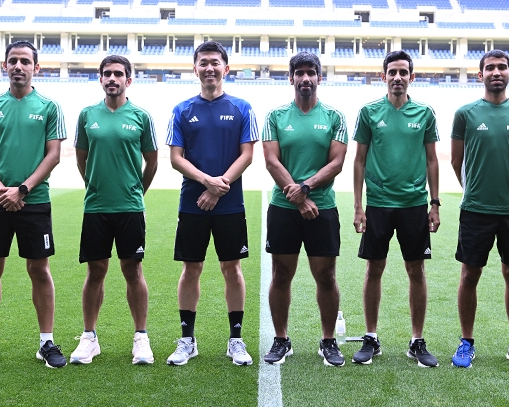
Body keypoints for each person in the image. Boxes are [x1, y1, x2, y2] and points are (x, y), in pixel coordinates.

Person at [0, 41, 67, 369]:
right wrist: (1, 189)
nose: (19, 66)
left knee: (39, 269)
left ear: (37, 67)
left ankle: (47, 343)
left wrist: (22, 189)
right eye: (13, 61)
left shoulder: (49, 106)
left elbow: (54, 155)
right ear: (5, 66)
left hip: (34, 200)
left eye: (25, 61)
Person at [165, 41, 259, 366]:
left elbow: (247, 154)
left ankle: (236, 339)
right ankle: (187, 340)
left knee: (232, 269)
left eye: (215, 63)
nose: (209, 68)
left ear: (226, 68)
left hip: (230, 205)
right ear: (195, 69)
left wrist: (219, 188)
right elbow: (176, 159)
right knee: (191, 269)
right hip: (192, 204)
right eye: (203, 63)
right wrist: (207, 181)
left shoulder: (242, 108)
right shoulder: (181, 110)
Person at [450, 50, 509, 370]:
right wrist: (476, 189)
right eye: (489, 68)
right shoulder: (465, 114)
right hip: (475, 208)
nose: (496, 72)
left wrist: (508, 186)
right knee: (469, 274)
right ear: (480, 75)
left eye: (502, 67)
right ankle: (466, 342)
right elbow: (455, 161)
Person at [352, 50, 440, 368]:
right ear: (384, 76)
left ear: (411, 77)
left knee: (416, 271)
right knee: (373, 270)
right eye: (392, 72)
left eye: (404, 72)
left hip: (414, 206)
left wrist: (435, 204)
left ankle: (417, 341)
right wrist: (359, 206)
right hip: (377, 205)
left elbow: (432, 160)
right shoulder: (369, 112)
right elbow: (359, 160)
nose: (398, 77)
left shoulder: (425, 113)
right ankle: (371, 337)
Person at [70, 55, 158, 365]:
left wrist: (137, 191)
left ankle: (141, 338)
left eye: (118, 74)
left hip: (130, 207)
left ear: (128, 80)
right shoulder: (87, 115)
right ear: (100, 78)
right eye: (107, 73)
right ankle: (89, 338)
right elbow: (81, 158)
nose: (112, 78)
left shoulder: (140, 116)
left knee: (133, 271)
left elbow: (153, 160)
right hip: (96, 207)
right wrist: (92, 184)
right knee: (95, 271)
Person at [262, 51, 348, 367]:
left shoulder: (334, 117)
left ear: (319, 77)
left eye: (311, 72)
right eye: (299, 73)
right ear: (291, 78)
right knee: (281, 273)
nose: (305, 78)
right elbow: (271, 161)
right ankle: (281, 339)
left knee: (326, 276)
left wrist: (307, 188)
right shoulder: (276, 116)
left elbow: (337, 162)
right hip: (284, 209)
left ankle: (328, 341)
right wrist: (298, 197)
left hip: (322, 208)